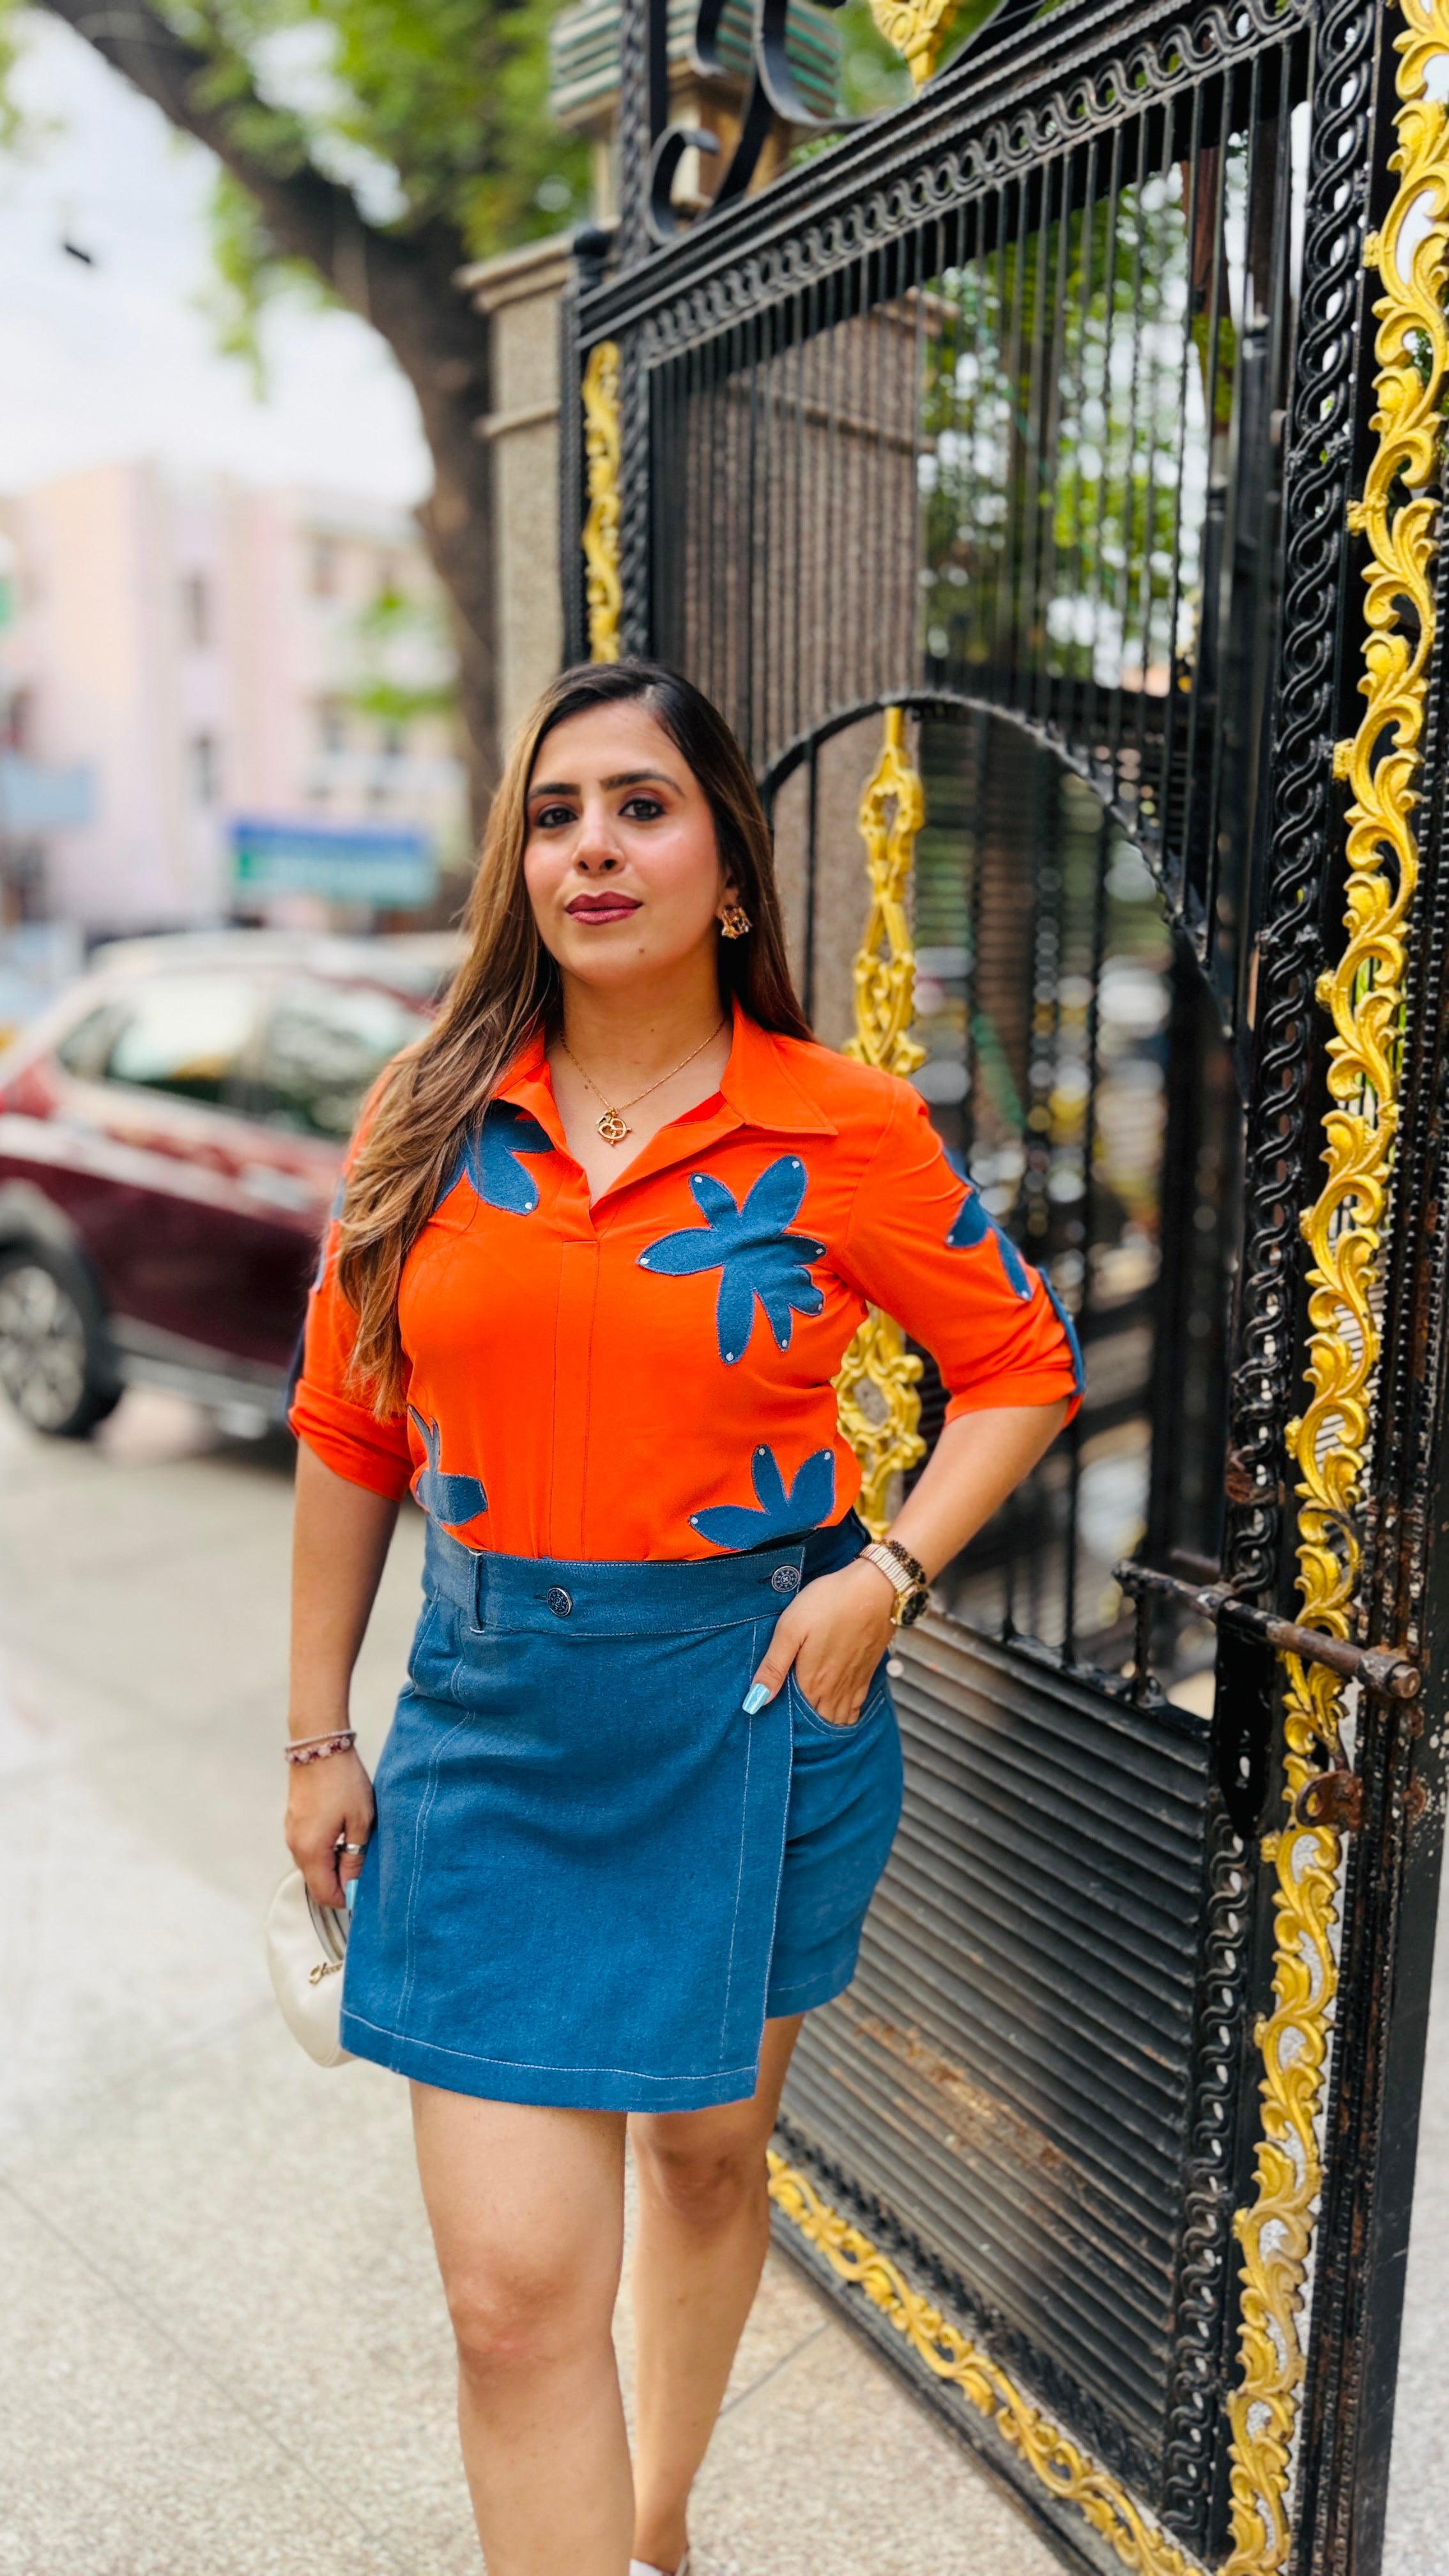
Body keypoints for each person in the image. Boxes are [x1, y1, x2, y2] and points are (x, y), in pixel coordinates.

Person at [284, 659, 1080, 2576]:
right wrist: (317, 1730)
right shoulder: (428, 1115)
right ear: (519, 867)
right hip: (490, 1720)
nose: (590, 846)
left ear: (726, 866)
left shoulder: (842, 1128)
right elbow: (346, 1425)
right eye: (554, 814)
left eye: (637, 805)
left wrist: (883, 1581)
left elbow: (1018, 1366)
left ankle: (650, 2525)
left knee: (707, 2154)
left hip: (751, 1708)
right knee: (508, 2302)